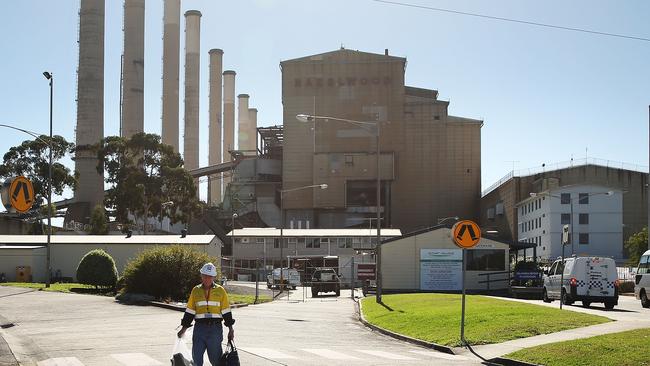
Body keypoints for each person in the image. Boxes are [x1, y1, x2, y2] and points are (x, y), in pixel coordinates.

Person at [177, 262, 235, 366]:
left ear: (213, 277)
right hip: (199, 329)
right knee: (196, 361)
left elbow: (226, 311)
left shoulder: (220, 291)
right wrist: (183, 328)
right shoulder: (195, 291)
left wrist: (231, 329)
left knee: (216, 360)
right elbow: (190, 311)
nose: (207, 279)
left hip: (215, 330)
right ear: (201, 276)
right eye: (205, 276)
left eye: (210, 276)